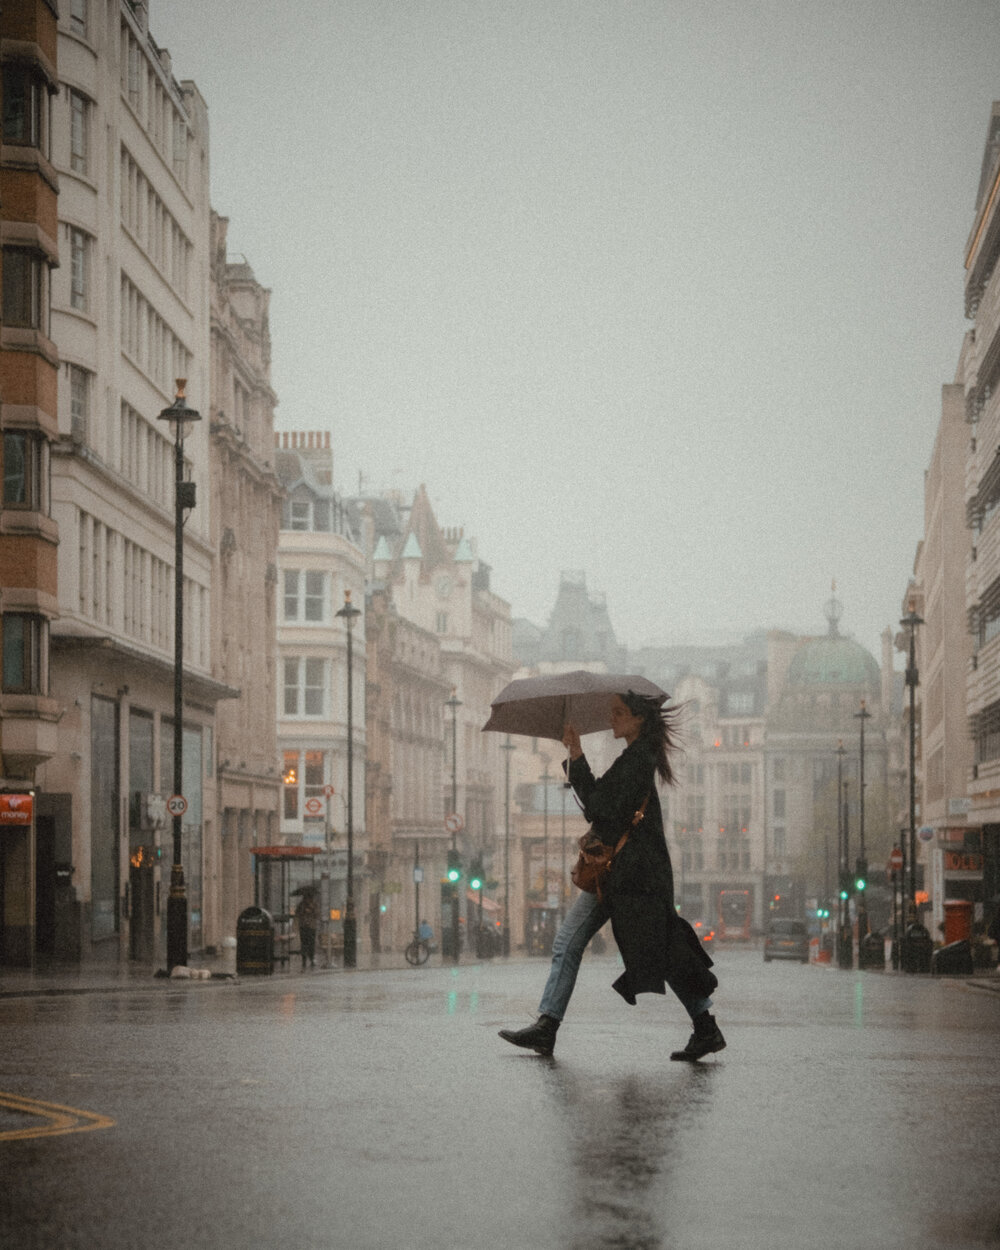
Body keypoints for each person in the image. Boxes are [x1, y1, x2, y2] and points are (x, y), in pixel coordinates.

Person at [499, 691, 724, 1060]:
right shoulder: (636, 757)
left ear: (639, 719)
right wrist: (576, 756)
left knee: (598, 944)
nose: (613, 718)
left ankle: (548, 1026)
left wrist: (577, 757)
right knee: (651, 947)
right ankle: (705, 1027)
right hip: (628, 876)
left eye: (620, 712)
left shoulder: (637, 760)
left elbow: (599, 809)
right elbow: (599, 803)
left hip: (631, 877)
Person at [295, 887, 319, 970]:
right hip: (303, 926)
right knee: (304, 943)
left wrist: (311, 909)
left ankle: (311, 959)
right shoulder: (301, 905)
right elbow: (297, 913)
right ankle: (304, 960)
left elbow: (317, 914)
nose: (308, 899)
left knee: (311, 943)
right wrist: (303, 911)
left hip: (311, 927)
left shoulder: (314, 904)